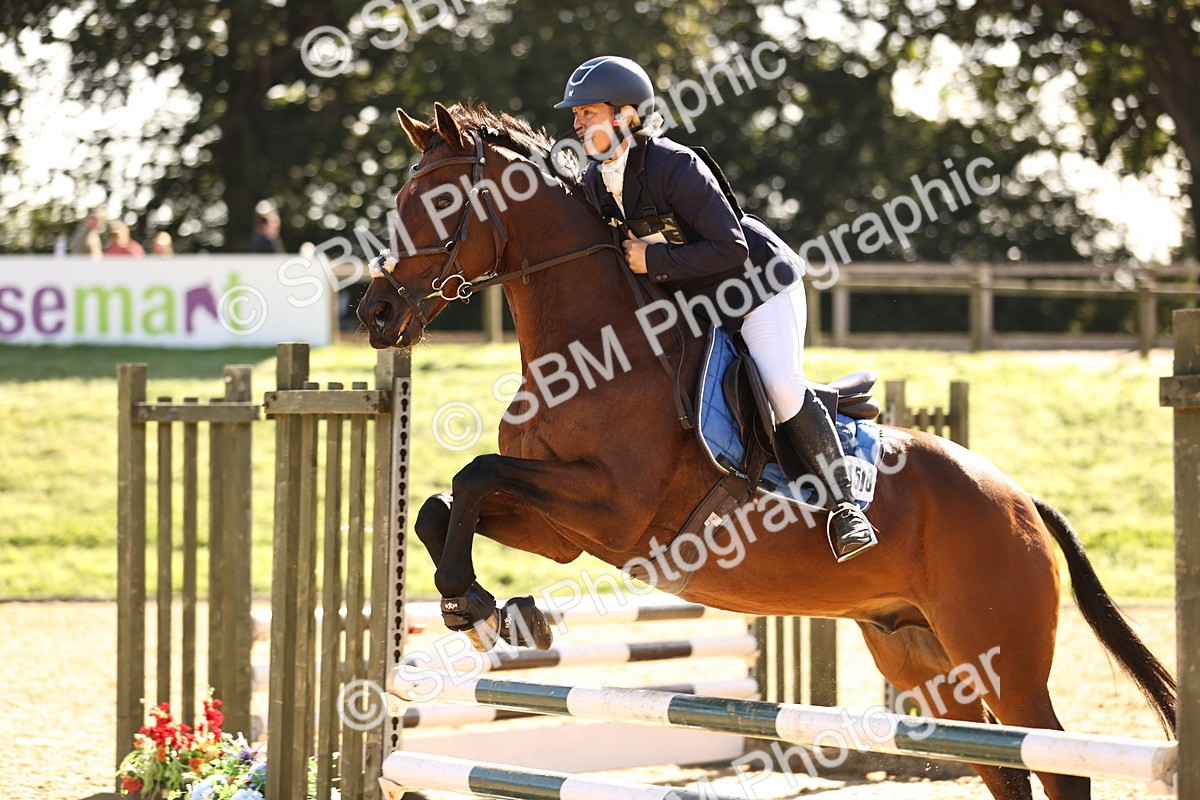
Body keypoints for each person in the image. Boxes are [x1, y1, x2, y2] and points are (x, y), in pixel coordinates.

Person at [556, 56, 877, 562]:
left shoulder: (674, 165)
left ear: (625, 116)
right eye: (575, 116)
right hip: (700, 301)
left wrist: (653, 258)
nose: (575, 125)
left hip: (758, 287)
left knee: (781, 382)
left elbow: (732, 248)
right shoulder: (599, 184)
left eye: (586, 113)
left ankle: (845, 508)